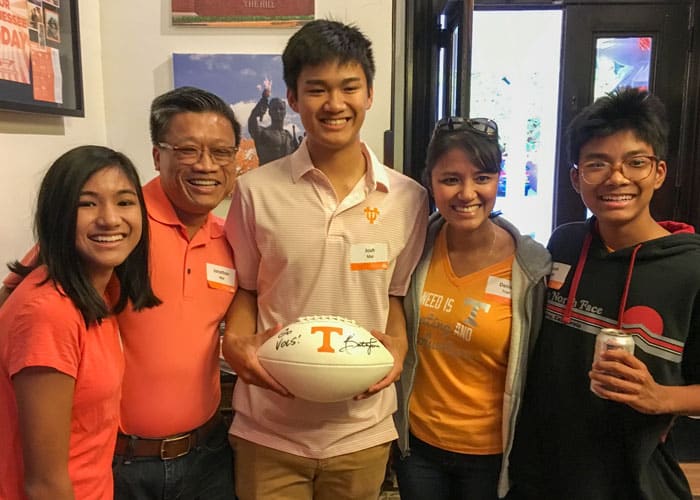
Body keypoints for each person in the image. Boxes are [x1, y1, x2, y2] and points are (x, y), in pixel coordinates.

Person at [222, 19, 429, 500]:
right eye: (316, 89)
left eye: (349, 87)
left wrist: (396, 349)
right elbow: (247, 289)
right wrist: (235, 343)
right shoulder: (254, 191)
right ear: (292, 99)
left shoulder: (409, 198)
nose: (334, 104)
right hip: (268, 430)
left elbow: (394, 295)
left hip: (362, 430)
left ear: (370, 94)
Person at [2, 86, 241, 500]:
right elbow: (24, 300)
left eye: (221, 152)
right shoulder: (116, 227)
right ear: (157, 155)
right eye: (187, 150)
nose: (206, 166)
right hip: (119, 465)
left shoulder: (229, 238)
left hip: (207, 456)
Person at [507, 87, 700, 500]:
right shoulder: (564, 244)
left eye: (636, 163)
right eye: (598, 164)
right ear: (577, 177)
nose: (617, 178)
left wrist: (662, 398)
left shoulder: (691, 270)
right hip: (539, 474)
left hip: (632, 481)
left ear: (659, 172)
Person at [393, 117, 551, 500]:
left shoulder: (531, 268)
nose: (467, 193)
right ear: (429, 181)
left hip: (489, 457)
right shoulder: (412, 249)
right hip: (418, 448)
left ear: (498, 179)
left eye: (482, 177)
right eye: (451, 179)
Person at [0, 145, 160, 499]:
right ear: (57, 215)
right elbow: (44, 483)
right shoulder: (48, 313)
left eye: (124, 201)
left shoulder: (95, 293)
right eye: (87, 203)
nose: (110, 219)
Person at [248, 88, 300, 165]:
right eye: (274, 109)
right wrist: (263, 101)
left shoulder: (288, 136)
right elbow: (252, 119)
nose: (278, 111)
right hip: (266, 175)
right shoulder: (262, 133)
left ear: (285, 112)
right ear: (269, 112)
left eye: (281, 109)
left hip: (286, 175)